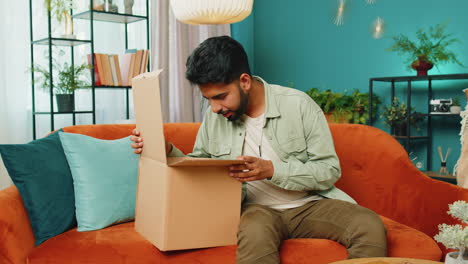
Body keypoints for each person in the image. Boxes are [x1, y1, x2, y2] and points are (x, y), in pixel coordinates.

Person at [130, 36, 387, 264]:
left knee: (369, 225)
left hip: (309, 204)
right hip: (254, 209)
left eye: (220, 96)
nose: (215, 107)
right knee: (254, 235)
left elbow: (328, 170)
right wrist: (166, 150)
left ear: (244, 82)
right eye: (207, 99)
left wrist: (272, 170)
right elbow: (199, 166)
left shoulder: (299, 105)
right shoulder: (215, 116)